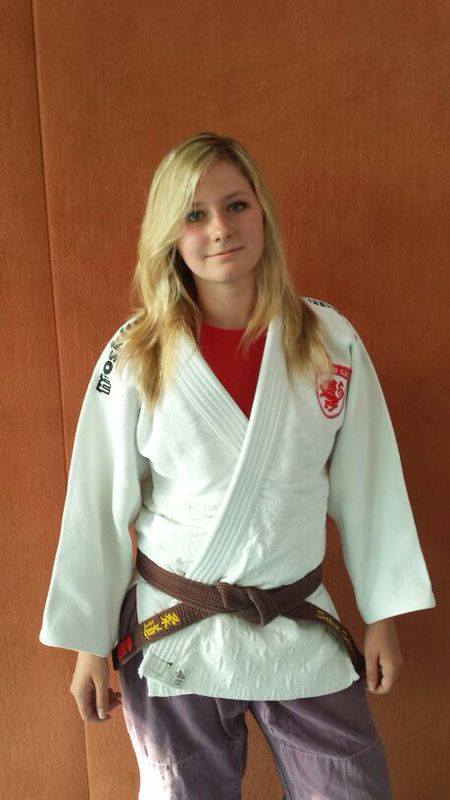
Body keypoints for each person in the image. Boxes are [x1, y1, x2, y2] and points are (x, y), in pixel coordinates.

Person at [39, 132, 436, 799]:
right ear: (170, 235)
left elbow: (371, 485)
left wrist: (383, 615)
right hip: (175, 628)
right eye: (195, 215)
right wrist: (88, 642)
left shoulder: (329, 339)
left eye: (236, 205)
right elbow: (98, 502)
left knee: (352, 789)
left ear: (262, 214)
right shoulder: (136, 352)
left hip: (296, 620)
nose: (220, 228)